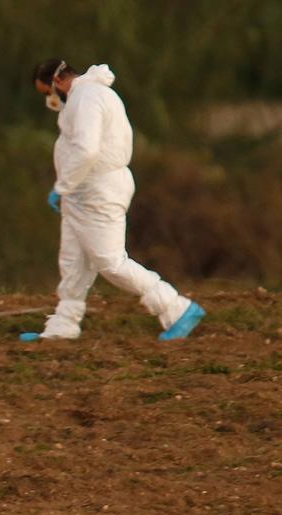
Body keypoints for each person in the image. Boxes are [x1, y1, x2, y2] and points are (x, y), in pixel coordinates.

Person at [24, 58, 205, 341]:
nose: (50, 99)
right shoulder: (82, 98)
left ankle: (176, 307)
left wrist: (62, 185)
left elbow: (86, 150)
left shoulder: (88, 97)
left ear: (58, 81)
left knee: (110, 261)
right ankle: (63, 325)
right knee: (73, 260)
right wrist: (68, 188)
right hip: (81, 193)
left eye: (47, 92)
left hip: (99, 191)